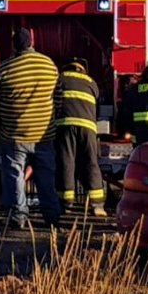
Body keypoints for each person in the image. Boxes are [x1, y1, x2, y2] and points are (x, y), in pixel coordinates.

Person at [0, 28, 62, 229]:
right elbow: (59, 98)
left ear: (14, 46)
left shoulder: (3, 70)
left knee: (14, 175)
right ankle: (52, 216)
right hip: (44, 135)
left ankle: (18, 216)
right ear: (32, 42)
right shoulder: (49, 66)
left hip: (13, 135)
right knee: (46, 175)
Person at [54, 58, 106, 217]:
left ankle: (66, 203)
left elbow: (54, 103)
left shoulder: (60, 79)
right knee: (91, 162)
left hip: (65, 125)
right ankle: (97, 205)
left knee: (66, 161)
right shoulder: (91, 82)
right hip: (88, 128)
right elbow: (96, 102)